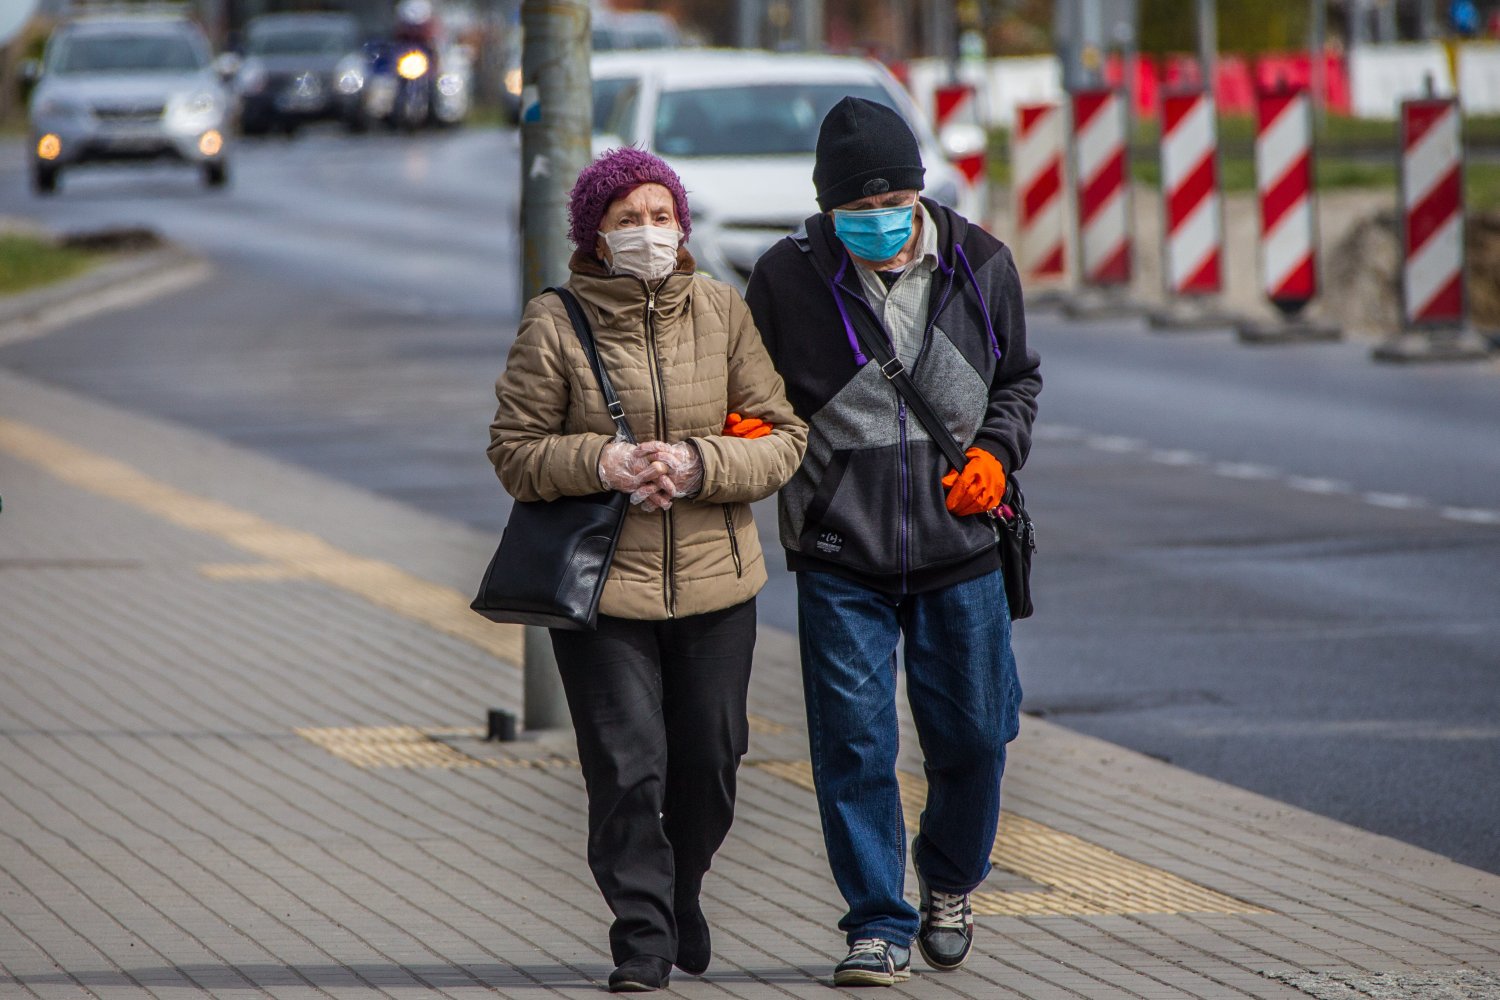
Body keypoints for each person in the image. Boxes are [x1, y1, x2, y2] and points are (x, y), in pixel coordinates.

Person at [488, 147, 807, 993]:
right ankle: (640, 937)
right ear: (595, 234)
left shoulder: (721, 310)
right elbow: (515, 454)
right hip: (601, 591)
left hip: (715, 581)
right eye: (628, 218)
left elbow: (783, 438)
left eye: (662, 215)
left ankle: (682, 891)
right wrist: (606, 463)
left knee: (711, 757)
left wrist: (701, 465)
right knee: (628, 768)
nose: (649, 231)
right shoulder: (553, 322)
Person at [744, 97, 1041, 987]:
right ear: (829, 210)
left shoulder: (981, 263)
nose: (879, 225)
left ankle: (949, 881)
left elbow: (1019, 381)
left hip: (964, 546)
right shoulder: (785, 279)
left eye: (895, 207)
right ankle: (876, 920)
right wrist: (753, 432)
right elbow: (758, 398)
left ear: (920, 193)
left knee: (977, 735)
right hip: (840, 552)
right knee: (855, 745)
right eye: (857, 213)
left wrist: (994, 452)